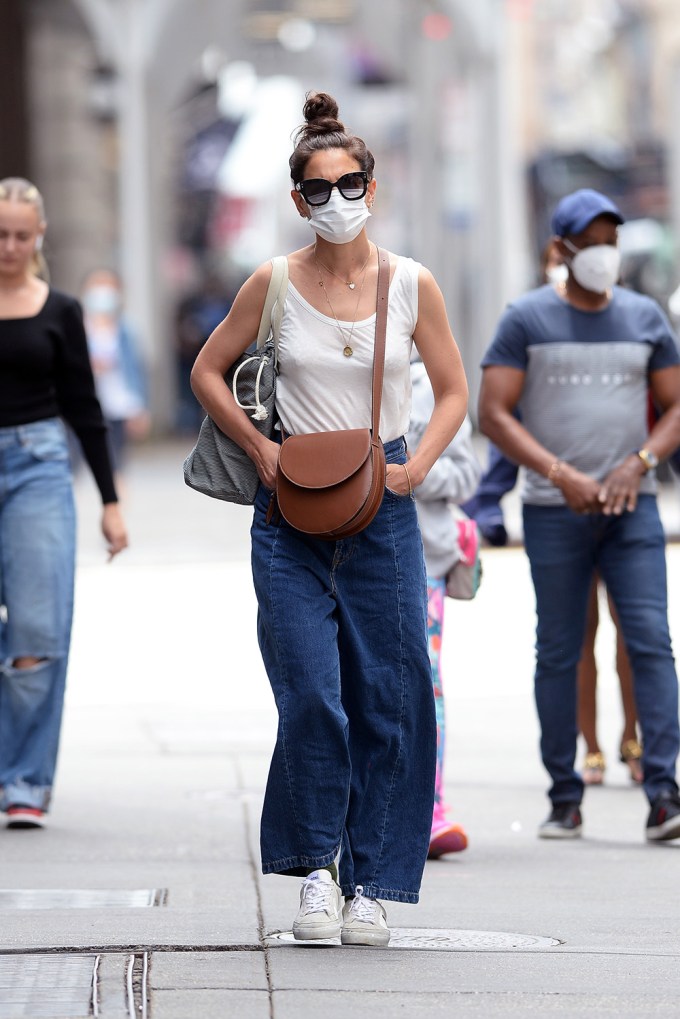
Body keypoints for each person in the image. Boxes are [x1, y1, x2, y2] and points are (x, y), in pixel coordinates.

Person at [190, 92, 468, 945]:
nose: (336, 200)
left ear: (372, 187)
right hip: (288, 517)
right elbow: (208, 370)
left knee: (389, 697)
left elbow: (455, 389)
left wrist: (416, 465)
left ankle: (373, 884)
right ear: (297, 199)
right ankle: (317, 867)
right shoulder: (272, 282)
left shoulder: (411, 283)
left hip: (380, 514)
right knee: (311, 692)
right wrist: (261, 448)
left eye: (350, 184)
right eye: (319, 189)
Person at [478, 187, 680, 842]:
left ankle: (663, 793)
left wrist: (639, 462)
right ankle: (564, 793)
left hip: (631, 508)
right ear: (562, 249)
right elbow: (494, 413)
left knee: (650, 639)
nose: (603, 253)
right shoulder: (526, 319)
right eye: (590, 242)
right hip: (553, 511)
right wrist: (558, 474)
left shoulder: (646, 317)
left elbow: (676, 406)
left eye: (610, 241)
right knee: (561, 649)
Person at [0, 177, 128, 829]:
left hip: (37, 467)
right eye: (0, 234)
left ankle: (24, 778)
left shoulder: (62, 310)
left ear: (40, 236)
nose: (10, 246)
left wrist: (110, 498)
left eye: (22, 234)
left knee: (35, 633)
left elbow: (85, 406)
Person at [407, 357, 481, 857]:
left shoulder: (427, 385)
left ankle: (429, 809)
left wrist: (408, 470)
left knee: (423, 679)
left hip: (423, 558)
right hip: (340, 549)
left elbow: (466, 474)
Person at [80, 268, 150, 481]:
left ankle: (114, 507)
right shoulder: (76, 327)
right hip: (83, 405)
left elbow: (137, 369)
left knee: (116, 464)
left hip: (118, 405)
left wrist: (140, 408)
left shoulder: (126, 330)